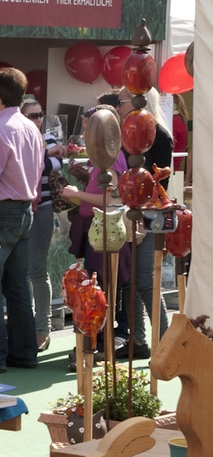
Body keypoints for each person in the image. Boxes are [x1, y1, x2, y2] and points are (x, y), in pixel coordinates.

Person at [0, 67, 43, 372]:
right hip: (25, 209)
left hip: (1, 211)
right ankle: (25, 352)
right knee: (18, 286)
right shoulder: (30, 127)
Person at [60, 98, 129, 369]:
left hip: (104, 233)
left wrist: (75, 194)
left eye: (90, 130)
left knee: (98, 293)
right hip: (97, 231)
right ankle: (95, 345)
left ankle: (97, 347)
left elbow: (108, 199)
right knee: (96, 290)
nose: (86, 135)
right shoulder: (102, 157)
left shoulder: (111, 158)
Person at [116, 89, 171, 359]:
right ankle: (138, 341)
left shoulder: (157, 135)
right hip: (135, 212)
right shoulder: (135, 134)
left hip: (149, 213)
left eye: (121, 101)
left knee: (145, 280)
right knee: (131, 280)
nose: (117, 107)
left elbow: (157, 182)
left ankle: (165, 341)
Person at [23, 96, 63, 352]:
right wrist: (45, 156)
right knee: (18, 274)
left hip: (42, 210)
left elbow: (56, 165)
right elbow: (23, 166)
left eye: (40, 115)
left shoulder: (46, 138)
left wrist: (43, 156)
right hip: (18, 209)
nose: (37, 120)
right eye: (32, 116)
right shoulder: (19, 137)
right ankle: (24, 328)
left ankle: (42, 329)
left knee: (37, 270)